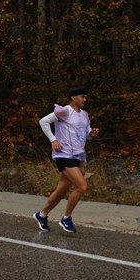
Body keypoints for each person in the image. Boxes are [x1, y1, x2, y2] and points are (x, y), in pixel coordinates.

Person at [33, 86, 99, 233]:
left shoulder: (84, 115)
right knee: (82, 186)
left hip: (77, 156)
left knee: (61, 191)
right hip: (63, 154)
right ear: (73, 98)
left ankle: (42, 215)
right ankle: (66, 218)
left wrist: (91, 134)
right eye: (82, 96)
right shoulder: (65, 111)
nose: (84, 99)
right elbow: (43, 121)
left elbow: (86, 133)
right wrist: (53, 139)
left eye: (86, 97)